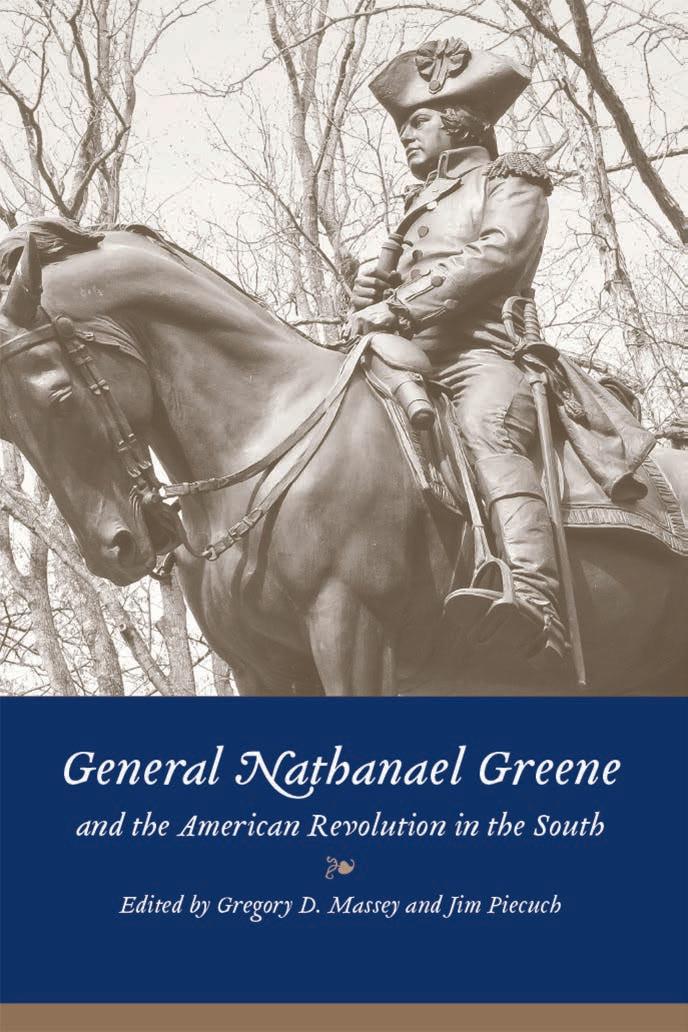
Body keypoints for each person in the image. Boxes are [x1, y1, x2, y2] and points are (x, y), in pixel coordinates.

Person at [347, 38, 571, 663]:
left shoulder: (511, 179)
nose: (405, 135)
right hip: (404, 357)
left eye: (418, 120)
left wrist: (401, 304)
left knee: (486, 430)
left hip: (481, 354)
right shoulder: (418, 205)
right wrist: (371, 291)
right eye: (403, 124)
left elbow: (497, 255)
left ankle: (535, 599)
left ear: (459, 122)